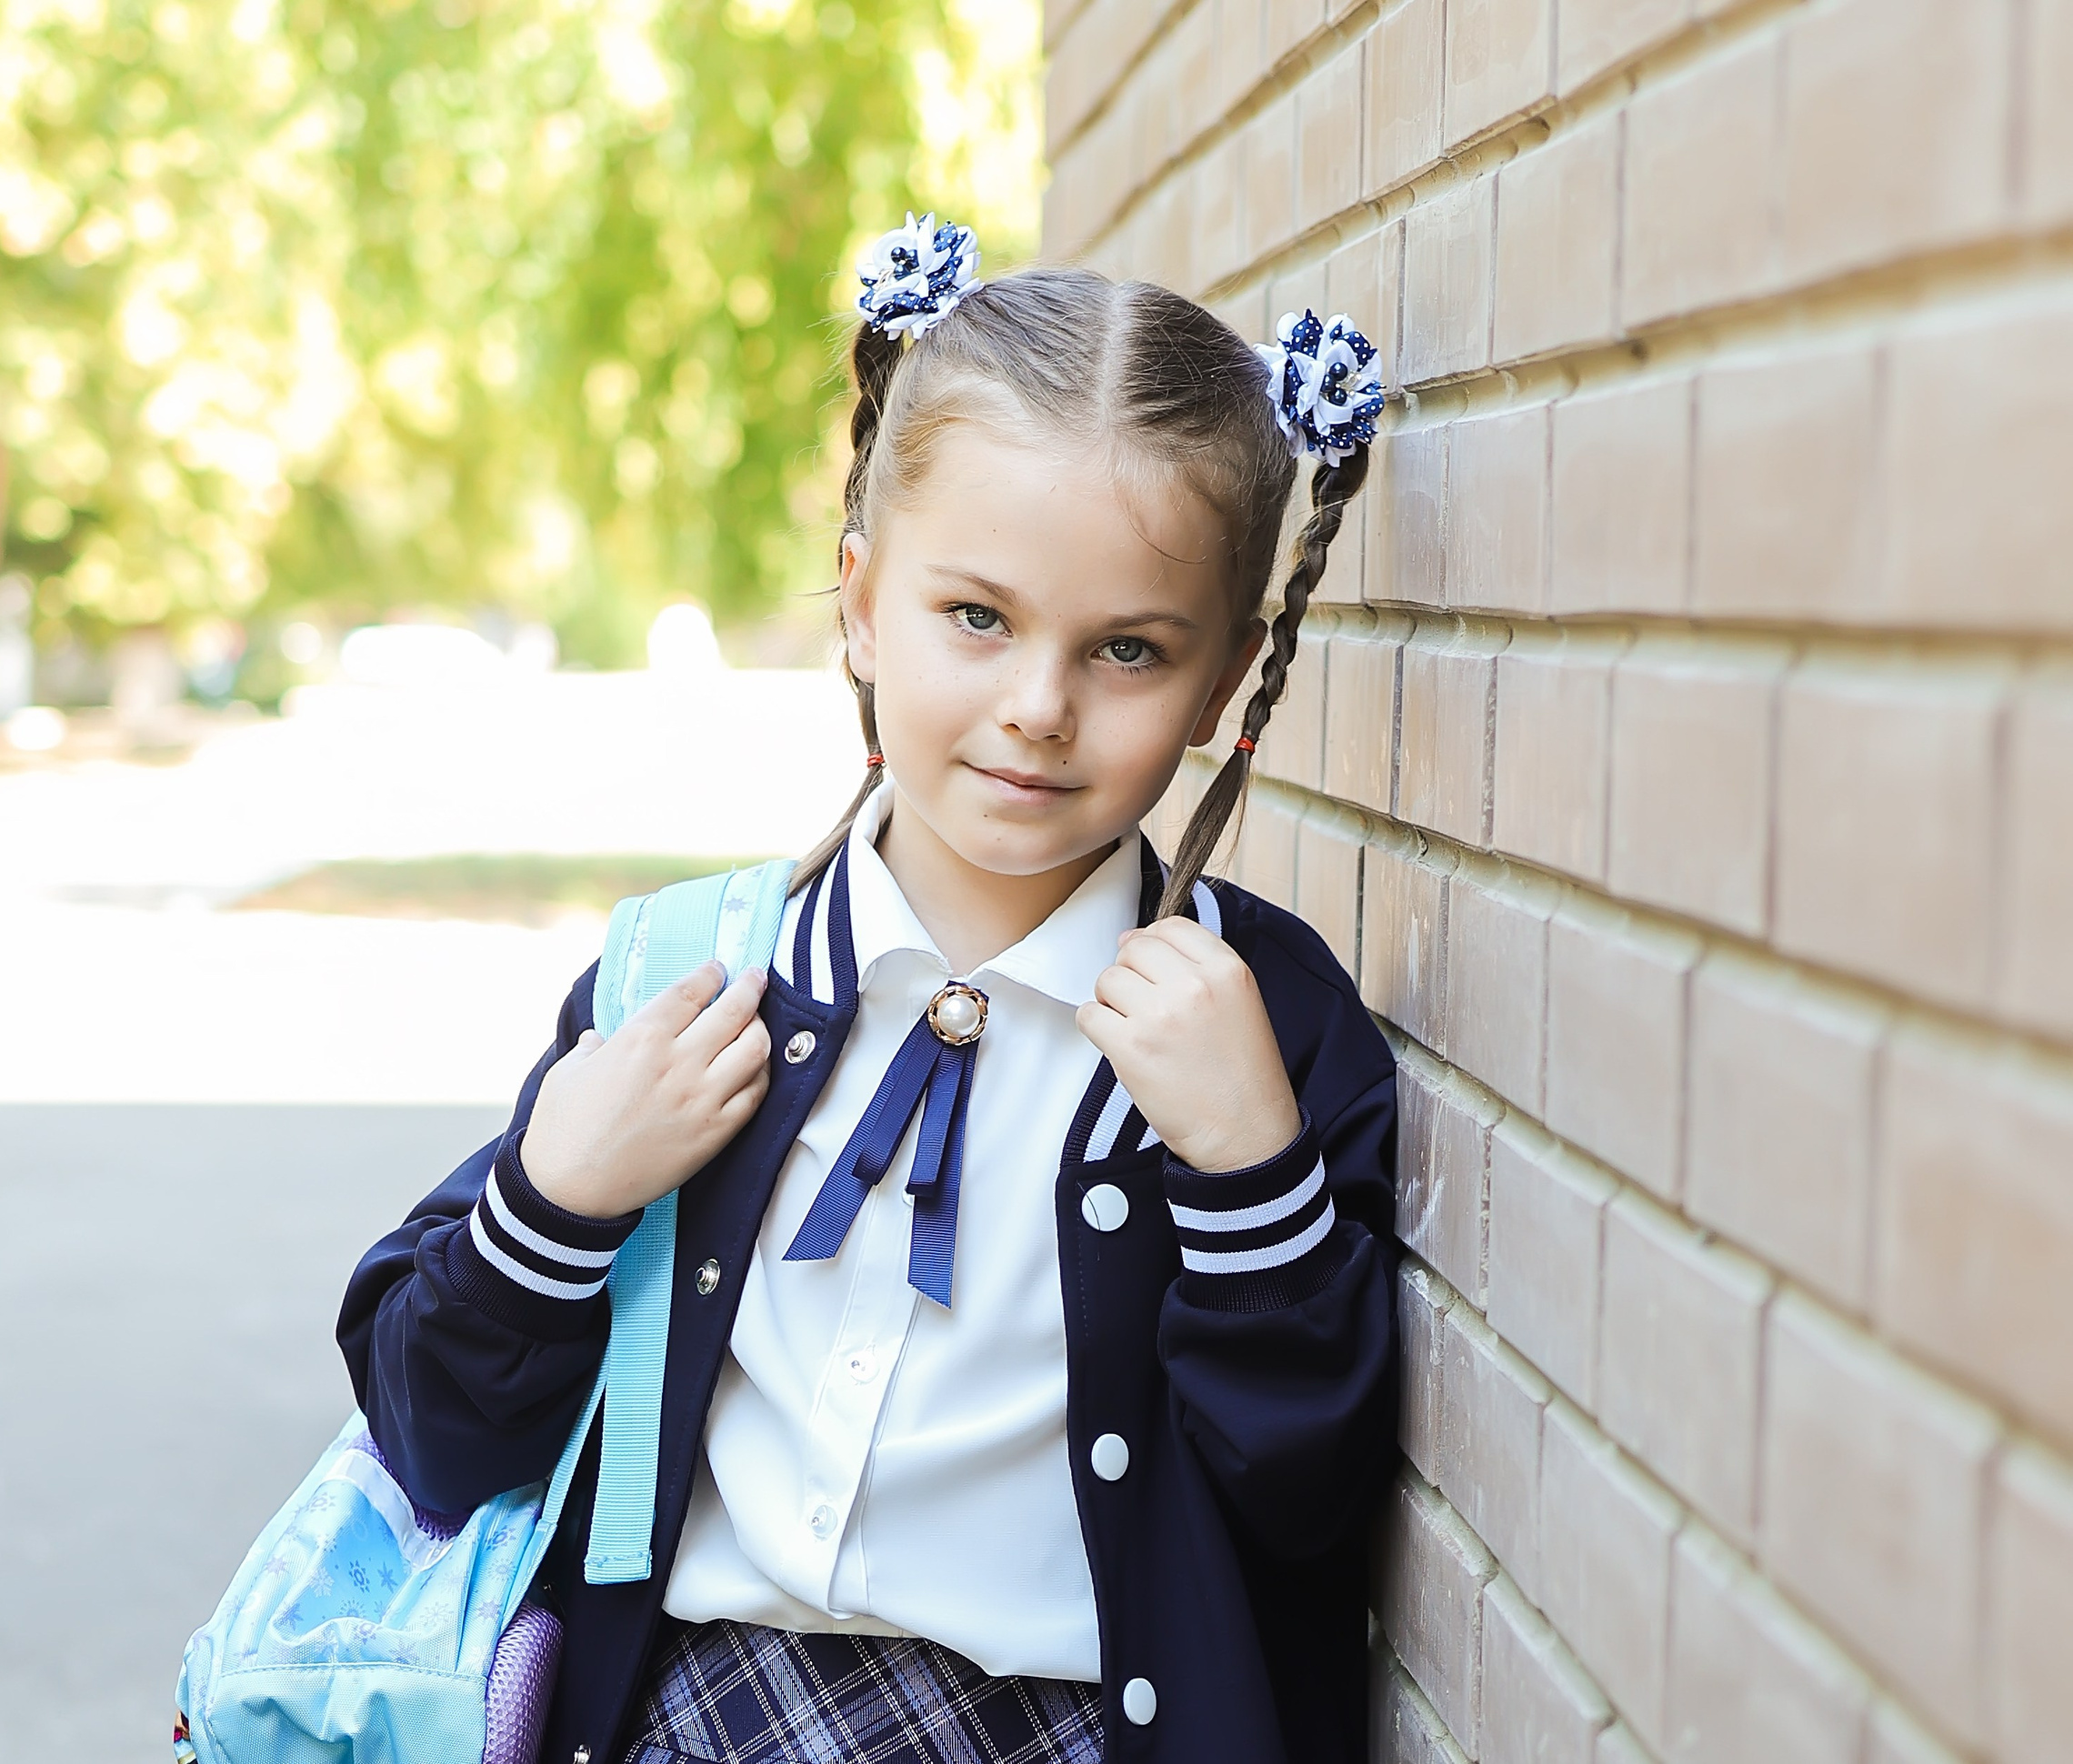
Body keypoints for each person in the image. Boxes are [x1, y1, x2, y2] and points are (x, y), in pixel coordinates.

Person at [339, 218, 1399, 1764]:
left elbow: (1313, 1496)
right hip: (689, 1720)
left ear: (1225, 677)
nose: (1038, 709)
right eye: (976, 618)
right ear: (857, 601)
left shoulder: (1261, 1023)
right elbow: (432, 1426)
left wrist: (1249, 1181)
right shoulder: (689, 983)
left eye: (1127, 649)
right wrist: (558, 1197)